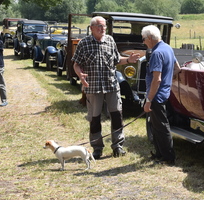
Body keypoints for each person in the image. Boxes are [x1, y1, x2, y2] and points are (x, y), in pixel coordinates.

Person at [72, 16, 139, 159]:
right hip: (93, 87)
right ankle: (97, 149)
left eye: (104, 26)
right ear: (91, 28)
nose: (102, 29)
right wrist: (80, 75)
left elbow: (116, 60)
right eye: (99, 26)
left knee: (117, 116)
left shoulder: (110, 40)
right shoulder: (84, 44)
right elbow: (76, 64)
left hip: (111, 85)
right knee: (95, 118)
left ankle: (118, 147)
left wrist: (128, 60)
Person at [142, 25, 180, 165]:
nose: (143, 42)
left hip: (156, 95)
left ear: (150, 38)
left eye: (144, 39)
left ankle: (168, 158)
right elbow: (177, 68)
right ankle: (159, 153)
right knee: (156, 125)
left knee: (161, 127)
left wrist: (149, 100)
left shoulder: (157, 53)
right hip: (164, 93)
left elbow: (156, 79)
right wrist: (167, 79)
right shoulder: (168, 48)